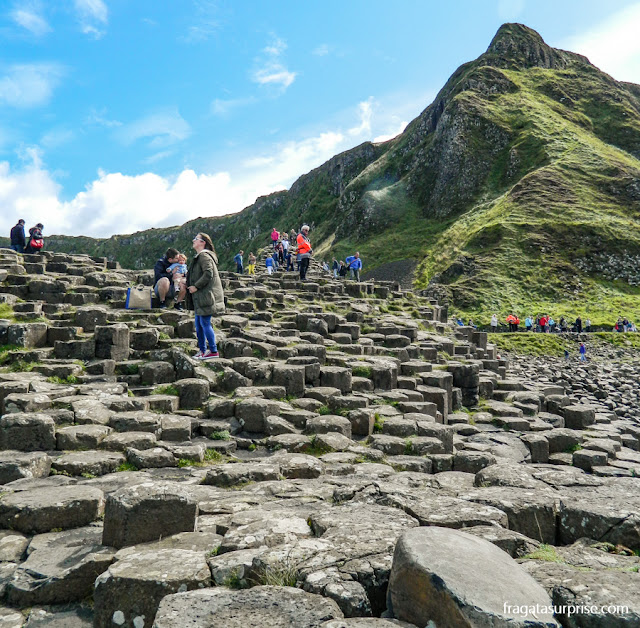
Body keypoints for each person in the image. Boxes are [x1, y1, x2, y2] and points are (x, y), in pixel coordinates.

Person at [187, 232, 225, 359]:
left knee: (204, 323)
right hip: (201, 297)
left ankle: (213, 351)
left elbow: (208, 273)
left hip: (205, 296)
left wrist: (196, 286)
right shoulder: (201, 256)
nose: (193, 240)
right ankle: (203, 351)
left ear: (202, 242)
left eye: (196, 239)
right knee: (199, 325)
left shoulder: (204, 256)